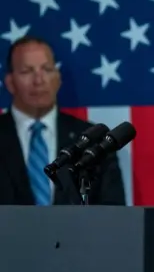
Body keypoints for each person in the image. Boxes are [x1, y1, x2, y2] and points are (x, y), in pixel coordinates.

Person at [0, 36, 126, 205]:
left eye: (46, 69)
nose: (39, 80)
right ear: (10, 82)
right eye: (27, 71)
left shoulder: (94, 141)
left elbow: (114, 214)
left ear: (57, 79)